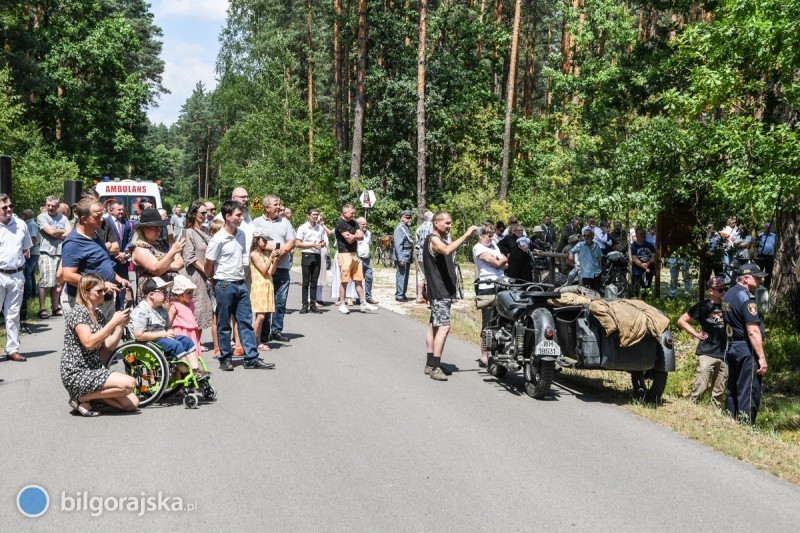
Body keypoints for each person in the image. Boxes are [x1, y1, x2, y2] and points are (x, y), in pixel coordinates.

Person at [204, 200, 275, 371]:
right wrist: (212, 278)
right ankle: (225, 358)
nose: (241, 218)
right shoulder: (218, 239)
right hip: (224, 284)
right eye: (238, 215)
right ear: (228, 217)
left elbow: (244, 255)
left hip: (240, 283)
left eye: (241, 214)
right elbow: (208, 263)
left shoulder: (242, 234)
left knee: (245, 322)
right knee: (224, 324)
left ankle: (251, 358)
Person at [60, 274, 138, 417]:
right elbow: (89, 343)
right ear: (86, 292)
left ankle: (90, 397)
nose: (104, 293)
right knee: (129, 384)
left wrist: (120, 326)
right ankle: (80, 398)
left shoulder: (99, 314)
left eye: (104, 290)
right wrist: (113, 323)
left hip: (94, 368)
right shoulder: (78, 313)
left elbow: (109, 345)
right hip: (77, 371)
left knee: (132, 404)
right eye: (99, 291)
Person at [422, 211, 478, 381]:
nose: (449, 225)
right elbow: (446, 250)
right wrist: (466, 235)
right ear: (436, 223)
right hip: (440, 291)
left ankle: (430, 363)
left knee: (434, 325)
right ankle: (436, 367)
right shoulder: (433, 239)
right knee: (444, 327)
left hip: (441, 290)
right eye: (446, 223)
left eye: (450, 222)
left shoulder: (440, 238)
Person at [58, 198, 129, 321]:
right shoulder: (73, 242)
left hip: (103, 300)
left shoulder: (95, 235)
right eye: (97, 216)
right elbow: (68, 276)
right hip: (84, 303)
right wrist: (101, 284)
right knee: (91, 340)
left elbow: (99, 265)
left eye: (101, 215)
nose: (101, 219)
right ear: (84, 219)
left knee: (109, 339)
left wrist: (118, 278)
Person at [131, 277, 207, 380]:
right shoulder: (142, 311)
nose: (167, 294)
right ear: (151, 295)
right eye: (163, 291)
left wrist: (170, 330)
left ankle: (195, 370)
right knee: (175, 345)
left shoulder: (161, 309)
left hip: (163, 337)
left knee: (187, 341)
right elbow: (139, 335)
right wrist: (162, 334)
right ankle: (187, 373)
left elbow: (168, 326)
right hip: (150, 340)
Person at [722, 263, 768, 424]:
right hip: (746, 348)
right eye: (757, 277)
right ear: (746, 278)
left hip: (732, 345)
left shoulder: (728, 294)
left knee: (733, 387)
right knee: (749, 390)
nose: (760, 280)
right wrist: (761, 357)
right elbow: (753, 331)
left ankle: (730, 420)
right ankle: (746, 425)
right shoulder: (747, 298)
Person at [677, 277, 729, 409]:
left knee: (719, 389)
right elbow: (682, 321)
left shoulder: (727, 306)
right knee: (701, 385)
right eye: (720, 289)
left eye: (725, 289)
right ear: (711, 291)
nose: (723, 292)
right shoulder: (702, 306)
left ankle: (714, 415)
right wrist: (696, 333)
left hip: (724, 354)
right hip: (707, 351)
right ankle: (691, 408)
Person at [253, 195, 295, 343]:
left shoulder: (285, 222)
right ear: (267, 207)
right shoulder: (257, 222)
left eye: (279, 204)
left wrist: (282, 252)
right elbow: (260, 243)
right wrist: (276, 250)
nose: (279, 207)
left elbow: (291, 240)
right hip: (265, 269)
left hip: (282, 267)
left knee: (281, 301)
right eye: (275, 204)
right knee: (266, 302)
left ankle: (277, 330)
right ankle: (264, 333)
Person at [0, 194, 31, 362]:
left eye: (10, 206)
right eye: (4, 207)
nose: (9, 210)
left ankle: (12, 349)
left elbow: (27, 248)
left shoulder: (21, 225)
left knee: (13, 315)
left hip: (17, 274)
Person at [131, 208, 184, 304]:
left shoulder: (163, 243)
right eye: (153, 227)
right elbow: (157, 269)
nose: (158, 230)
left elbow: (180, 263)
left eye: (159, 227)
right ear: (143, 228)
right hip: (153, 297)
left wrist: (164, 266)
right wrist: (171, 255)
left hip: (169, 293)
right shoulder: (139, 248)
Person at [473, 224, 507, 367]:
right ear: (481, 236)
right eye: (488, 236)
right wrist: (499, 262)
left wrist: (500, 262)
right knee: (487, 321)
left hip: (501, 284)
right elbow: (495, 262)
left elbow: (504, 263)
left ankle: (497, 353)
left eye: (492, 235)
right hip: (486, 287)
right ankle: (484, 355)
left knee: (501, 319)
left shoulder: (493, 245)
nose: (491, 238)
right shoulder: (478, 248)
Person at [333, 204, 378, 315]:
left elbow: (362, 236)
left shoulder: (353, 222)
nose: (353, 215)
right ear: (344, 213)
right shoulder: (340, 224)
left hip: (355, 254)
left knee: (358, 280)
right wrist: (355, 235)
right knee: (344, 281)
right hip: (345, 254)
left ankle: (363, 303)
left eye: (354, 212)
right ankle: (342, 304)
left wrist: (354, 236)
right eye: (351, 213)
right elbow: (348, 239)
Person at [181, 201, 214, 348]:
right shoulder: (188, 232)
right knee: (196, 306)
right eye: (202, 213)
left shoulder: (205, 231)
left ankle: (198, 341)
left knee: (204, 307)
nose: (205, 216)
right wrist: (205, 270)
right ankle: (193, 342)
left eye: (206, 213)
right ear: (194, 214)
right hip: (195, 274)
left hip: (206, 273)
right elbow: (190, 257)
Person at [37, 195, 68, 318]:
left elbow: (70, 231)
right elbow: (50, 232)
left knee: (57, 282)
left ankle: (55, 307)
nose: (50, 208)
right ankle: (42, 309)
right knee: (45, 282)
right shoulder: (41, 217)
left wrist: (57, 232)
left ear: (58, 206)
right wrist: (60, 232)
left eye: (53, 206)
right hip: (46, 252)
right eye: (48, 205)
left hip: (60, 252)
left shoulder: (64, 218)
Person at [101, 200, 133, 310]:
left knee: (123, 286)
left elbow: (129, 240)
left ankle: (120, 309)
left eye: (122, 210)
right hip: (110, 260)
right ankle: (108, 309)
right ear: (110, 210)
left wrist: (125, 254)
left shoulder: (126, 223)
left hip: (122, 261)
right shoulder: (105, 222)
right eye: (118, 210)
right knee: (109, 285)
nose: (121, 212)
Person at [250, 228, 278, 350]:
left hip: (267, 284)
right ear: (256, 240)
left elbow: (271, 271)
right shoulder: (253, 254)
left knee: (262, 317)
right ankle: (252, 342)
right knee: (260, 316)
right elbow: (262, 270)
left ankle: (257, 341)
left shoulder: (265, 254)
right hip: (258, 285)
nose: (266, 243)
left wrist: (275, 260)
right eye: (264, 240)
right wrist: (271, 256)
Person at [294, 206, 326, 314]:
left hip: (317, 254)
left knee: (314, 282)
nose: (315, 217)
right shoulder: (303, 228)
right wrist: (311, 244)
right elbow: (298, 243)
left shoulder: (320, 228)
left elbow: (322, 241)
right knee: (306, 282)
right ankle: (304, 305)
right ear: (308, 216)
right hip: (307, 254)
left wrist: (321, 244)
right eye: (313, 215)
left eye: (317, 215)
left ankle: (313, 305)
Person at [168, 275, 205, 361]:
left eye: (192, 292)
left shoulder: (191, 304)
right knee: (182, 354)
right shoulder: (175, 306)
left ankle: (194, 368)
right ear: (179, 294)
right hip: (180, 331)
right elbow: (169, 321)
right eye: (188, 293)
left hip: (191, 332)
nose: (191, 295)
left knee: (193, 353)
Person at [21, 209, 39, 329]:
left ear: (26, 215)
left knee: (28, 273)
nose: (22, 215)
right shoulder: (29, 224)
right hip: (32, 253)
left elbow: (32, 240)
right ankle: (32, 292)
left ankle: (31, 293)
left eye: (23, 214)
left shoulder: (31, 224)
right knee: (30, 274)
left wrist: (28, 252)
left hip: (32, 253)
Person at [392, 210, 415, 302]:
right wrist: (401, 258)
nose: (409, 219)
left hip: (407, 255)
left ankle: (403, 293)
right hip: (403, 255)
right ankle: (399, 295)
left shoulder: (406, 227)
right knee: (401, 275)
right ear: (402, 218)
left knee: (405, 276)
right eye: (407, 217)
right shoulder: (400, 228)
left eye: (410, 217)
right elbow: (398, 245)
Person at [356, 217, 378, 305]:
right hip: (358, 258)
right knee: (358, 279)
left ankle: (368, 297)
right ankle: (358, 297)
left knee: (369, 277)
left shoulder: (368, 233)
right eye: (363, 224)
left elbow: (368, 244)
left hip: (366, 259)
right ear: (358, 225)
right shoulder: (356, 233)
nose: (365, 225)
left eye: (366, 224)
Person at [414, 211, 434, 303]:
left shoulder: (420, 228)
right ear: (431, 218)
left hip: (421, 254)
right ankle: (430, 298)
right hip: (429, 254)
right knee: (430, 276)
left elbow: (417, 242)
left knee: (421, 276)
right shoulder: (432, 227)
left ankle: (419, 296)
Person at [630, 228, 656, 297]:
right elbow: (634, 259)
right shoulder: (633, 246)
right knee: (635, 291)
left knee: (646, 290)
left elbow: (653, 256)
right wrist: (642, 265)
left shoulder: (650, 245)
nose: (643, 235)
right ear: (636, 235)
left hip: (648, 269)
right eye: (641, 234)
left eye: (644, 233)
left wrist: (647, 263)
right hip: (637, 271)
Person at [755, 222, 775, 288]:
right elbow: (756, 247)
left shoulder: (774, 236)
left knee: (768, 272)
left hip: (770, 257)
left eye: (769, 228)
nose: (768, 229)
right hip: (761, 256)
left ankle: (767, 286)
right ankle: (757, 286)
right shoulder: (760, 235)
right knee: (759, 272)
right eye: (767, 228)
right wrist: (755, 256)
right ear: (764, 228)